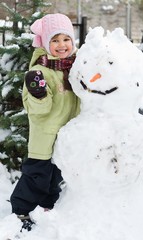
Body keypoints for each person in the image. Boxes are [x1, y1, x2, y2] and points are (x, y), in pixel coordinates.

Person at [10, 13, 80, 232]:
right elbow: (38, 112)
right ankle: (20, 210)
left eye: (66, 39)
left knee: (57, 175)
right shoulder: (39, 72)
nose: (62, 45)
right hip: (45, 136)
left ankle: (47, 207)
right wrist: (38, 93)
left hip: (66, 135)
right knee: (37, 175)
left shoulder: (74, 67)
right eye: (55, 40)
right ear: (46, 43)